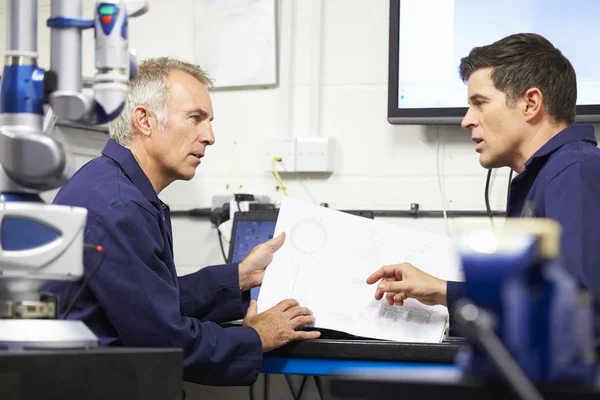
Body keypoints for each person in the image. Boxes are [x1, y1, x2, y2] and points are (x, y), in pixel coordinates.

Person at [46, 57, 320, 386]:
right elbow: (162, 342)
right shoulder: (120, 207)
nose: (210, 136)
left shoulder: (111, 184)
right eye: (195, 118)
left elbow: (150, 303)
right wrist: (255, 337)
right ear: (144, 120)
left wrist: (239, 277)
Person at [367, 33, 600, 334]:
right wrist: (440, 290)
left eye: (480, 103)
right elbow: (533, 300)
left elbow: (581, 312)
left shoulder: (574, 172)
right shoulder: (551, 174)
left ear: (531, 103)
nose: (467, 120)